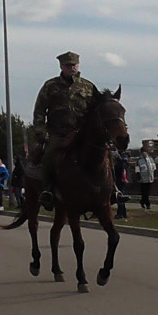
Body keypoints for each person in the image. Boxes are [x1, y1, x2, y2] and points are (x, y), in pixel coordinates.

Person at [32, 50, 98, 211]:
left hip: (81, 135)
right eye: (68, 65)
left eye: (74, 65)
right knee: (49, 155)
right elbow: (39, 111)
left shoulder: (88, 87)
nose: (72, 68)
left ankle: (113, 191)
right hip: (58, 134)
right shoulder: (50, 86)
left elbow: (96, 112)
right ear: (61, 66)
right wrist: (41, 132)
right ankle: (47, 191)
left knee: (105, 156)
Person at [113, 150, 130, 219]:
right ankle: (123, 212)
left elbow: (122, 166)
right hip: (118, 178)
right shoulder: (121, 157)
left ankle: (120, 213)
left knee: (119, 196)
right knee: (120, 195)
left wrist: (118, 159)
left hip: (121, 179)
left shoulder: (124, 157)